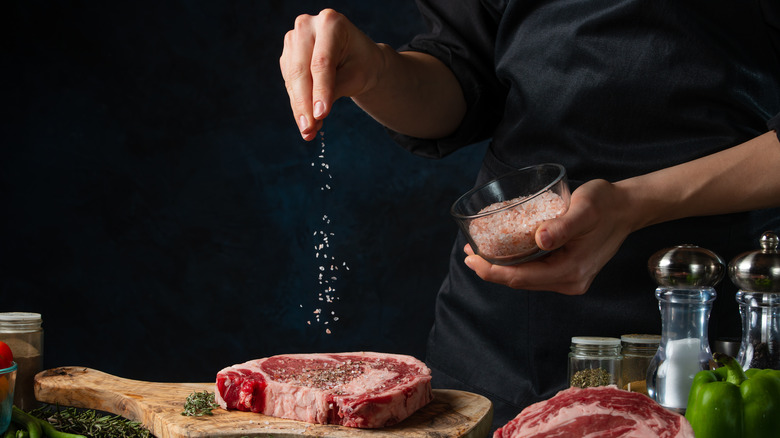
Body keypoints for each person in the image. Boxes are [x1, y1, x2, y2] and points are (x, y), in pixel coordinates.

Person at [280, 0, 780, 430]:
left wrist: (634, 204)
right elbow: (460, 74)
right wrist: (377, 71)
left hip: (708, 311)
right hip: (503, 333)